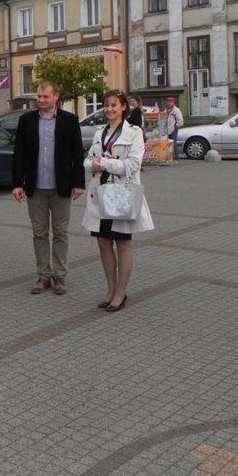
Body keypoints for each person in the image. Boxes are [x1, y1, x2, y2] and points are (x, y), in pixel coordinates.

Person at [82, 89, 154, 312]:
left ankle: (121, 292)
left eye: (114, 104)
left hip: (120, 192)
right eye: (106, 104)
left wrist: (102, 162)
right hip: (99, 192)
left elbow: (132, 165)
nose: (109, 108)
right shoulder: (99, 132)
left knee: (122, 243)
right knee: (103, 243)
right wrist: (92, 163)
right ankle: (111, 288)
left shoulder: (134, 133)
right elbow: (87, 160)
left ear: (123, 107)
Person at [11, 80, 85, 295]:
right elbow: (19, 155)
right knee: (40, 233)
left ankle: (59, 276)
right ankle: (43, 276)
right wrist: (17, 183)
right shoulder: (26, 121)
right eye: (39, 97)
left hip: (61, 187)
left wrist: (79, 183)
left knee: (60, 233)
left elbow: (77, 154)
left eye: (45, 97)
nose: (41, 100)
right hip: (36, 188)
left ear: (56, 97)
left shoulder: (70, 121)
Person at [164, 96, 184, 161]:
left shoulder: (176, 110)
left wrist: (176, 127)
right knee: (167, 144)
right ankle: (169, 158)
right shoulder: (165, 110)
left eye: (171, 102)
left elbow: (180, 121)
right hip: (166, 130)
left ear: (173, 102)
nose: (169, 103)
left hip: (173, 130)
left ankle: (176, 158)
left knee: (174, 144)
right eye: (168, 102)